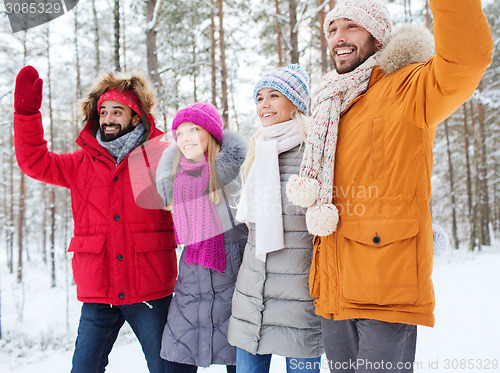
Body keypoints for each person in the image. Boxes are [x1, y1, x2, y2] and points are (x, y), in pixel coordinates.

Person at [286, 0, 493, 371]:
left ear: (377, 35)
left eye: (351, 26)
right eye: (332, 29)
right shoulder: (332, 101)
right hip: (334, 288)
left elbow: (467, 59)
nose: (339, 38)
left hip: (385, 286)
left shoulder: (409, 88)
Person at [13, 66, 178, 373]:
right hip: (100, 292)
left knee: (168, 368)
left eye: (117, 111)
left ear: (136, 116)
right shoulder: (81, 164)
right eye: (103, 111)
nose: (108, 119)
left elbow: (201, 181)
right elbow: (34, 161)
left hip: (150, 290)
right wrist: (26, 114)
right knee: (84, 368)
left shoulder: (161, 157)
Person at [228, 64, 323, 373]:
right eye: (259, 97)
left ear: (295, 103)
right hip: (253, 297)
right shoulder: (257, 152)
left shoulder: (314, 155)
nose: (263, 105)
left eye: (274, 96)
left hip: (299, 300)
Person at [156, 102, 248, 373]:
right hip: (189, 298)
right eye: (180, 132)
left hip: (233, 296)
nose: (186, 138)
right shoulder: (176, 181)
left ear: (210, 133)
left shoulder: (237, 178)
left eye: (194, 129)